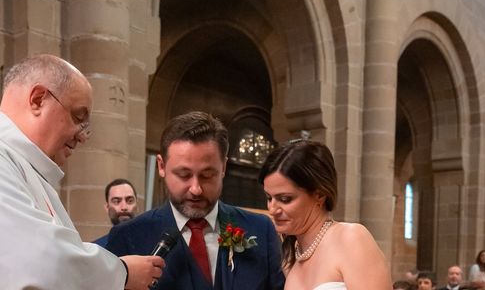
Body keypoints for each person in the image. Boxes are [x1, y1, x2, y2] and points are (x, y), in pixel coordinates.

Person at [0, 54, 164, 289]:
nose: (82, 136)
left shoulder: (22, 169)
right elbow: (37, 264)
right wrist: (122, 272)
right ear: (37, 99)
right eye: (79, 117)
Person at [107, 111, 285, 289]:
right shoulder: (128, 237)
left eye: (207, 175)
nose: (196, 189)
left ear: (223, 167)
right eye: (184, 175)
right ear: (161, 166)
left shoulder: (261, 229)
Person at [258, 139, 392, 290]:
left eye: (285, 199)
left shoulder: (351, 238)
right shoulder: (292, 258)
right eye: (269, 198)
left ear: (319, 194)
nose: (272, 209)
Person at [94, 178, 139, 247]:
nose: (124, 207)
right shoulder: (97, 249)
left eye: (130, 201)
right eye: (116, 201)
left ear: (137, 205)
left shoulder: (154, 244)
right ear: (107, 207)